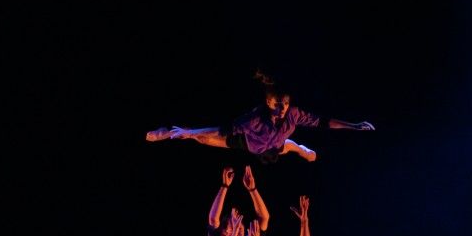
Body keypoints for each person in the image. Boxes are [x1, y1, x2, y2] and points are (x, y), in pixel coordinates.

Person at [146, 70, 375, 163]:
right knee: (204, 139)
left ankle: (298, 148)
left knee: (287, 146)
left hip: (275, 146)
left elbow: (323, 122)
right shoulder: (254, 119)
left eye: (285, 103)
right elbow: (221, 129)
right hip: (249, 144)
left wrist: (354, 126)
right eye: (278, 104)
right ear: (268, 102)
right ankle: (169, 133)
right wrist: (190, 132)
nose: (282, 108)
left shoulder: (293, 114)